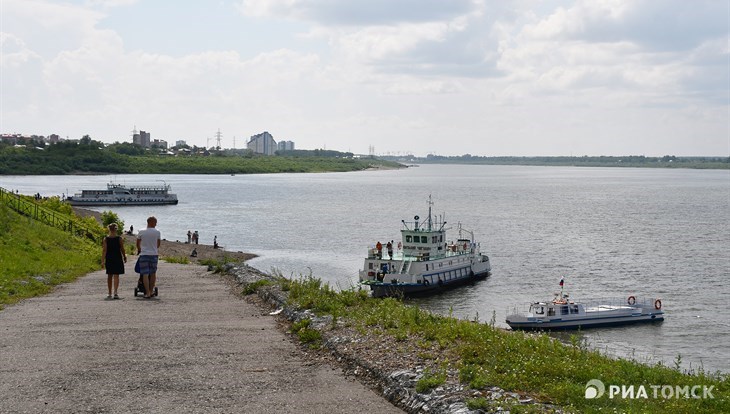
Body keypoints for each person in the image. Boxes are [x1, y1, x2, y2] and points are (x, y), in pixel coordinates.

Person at [136, 216, 161, 299]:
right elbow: (158, 244)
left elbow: (138, 243)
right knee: (153, 273)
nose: (156, 224)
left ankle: (147, 292)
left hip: (144, 254)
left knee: (145, 274)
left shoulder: (141, 231)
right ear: (152, 222)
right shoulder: (157, 232)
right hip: (153, 254)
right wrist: (153, 249)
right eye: (155, 222)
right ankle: (151, 290)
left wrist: (140, 249)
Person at [101, 223, 127, 299]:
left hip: (109, 258)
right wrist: (124, 256)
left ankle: (109, 293)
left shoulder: (106, 239)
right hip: (117, 257)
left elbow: (104, 250)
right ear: (116, 229)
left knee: (109, 275)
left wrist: (102, 260)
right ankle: (115, 292)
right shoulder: (119, 239)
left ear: (109, 229)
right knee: (116, 275)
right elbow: (122, 249)